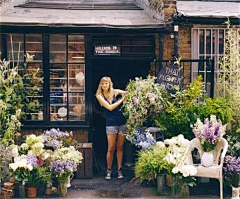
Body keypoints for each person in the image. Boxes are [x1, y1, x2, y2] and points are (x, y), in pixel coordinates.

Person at [96, 76, 127, 180]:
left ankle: (119, 169)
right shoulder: (99, 96)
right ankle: (109, 170)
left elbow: (128, 92)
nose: (104, 85)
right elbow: (110, 108)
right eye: (103, 83)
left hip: (122, 122)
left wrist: (125, 96)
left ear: (110, 84)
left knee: (120, 147)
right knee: (111, 147)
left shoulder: (114, 92)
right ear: (100, 85)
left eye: (106, 83)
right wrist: (122, 100)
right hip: (111, 123)